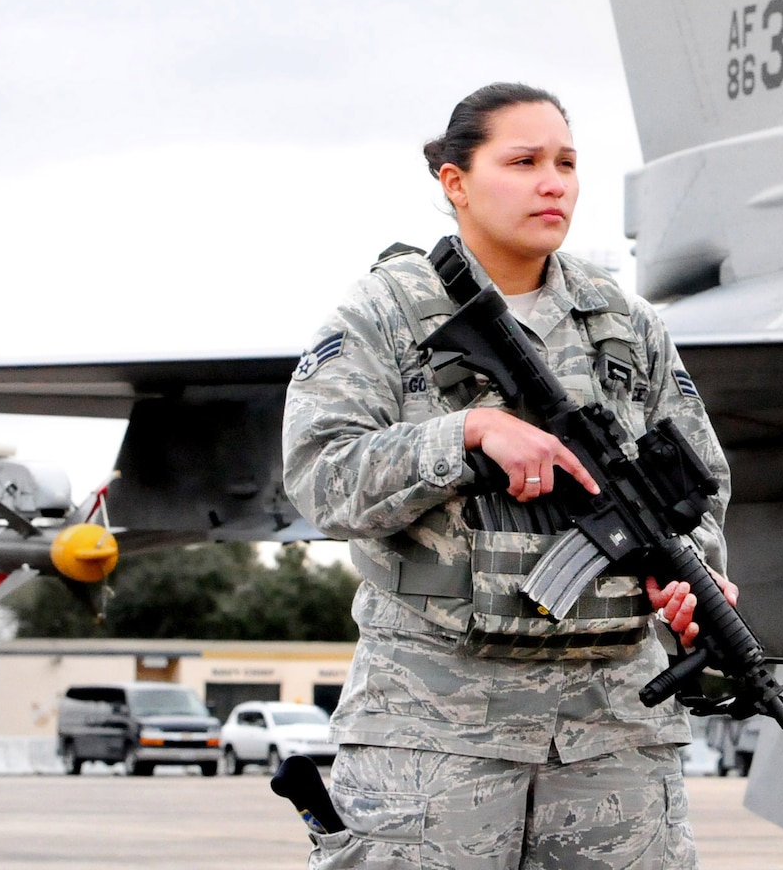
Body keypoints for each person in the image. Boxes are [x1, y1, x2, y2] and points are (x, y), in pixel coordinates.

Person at [283, 82, 734, 869]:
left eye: (565, 162)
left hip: (614, 732)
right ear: (454, 181)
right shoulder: (384, 315)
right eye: (523, 161)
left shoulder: (625, 323)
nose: (553, 182)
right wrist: (466, 434)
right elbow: (323, 476)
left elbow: (700, 487)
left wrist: (696, 579)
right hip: (435, 731)